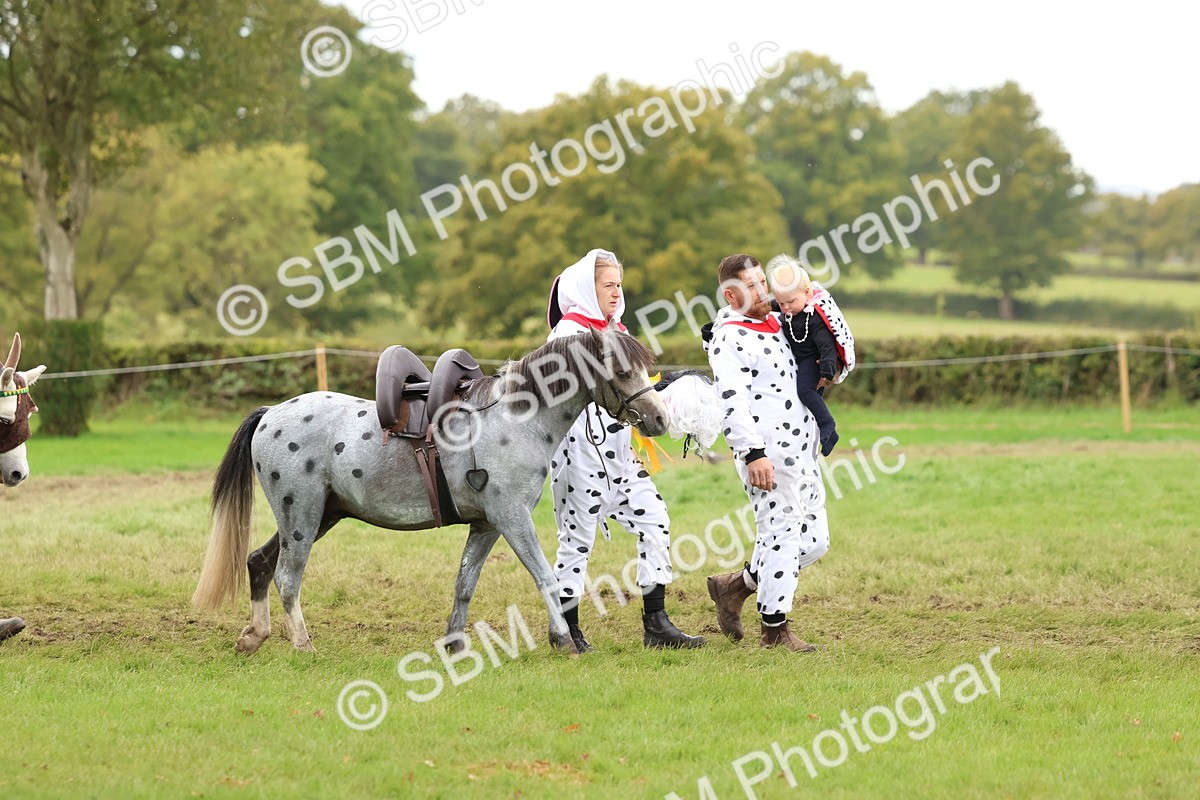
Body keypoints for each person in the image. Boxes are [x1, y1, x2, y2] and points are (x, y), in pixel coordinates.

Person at [546, 248, 705, 652]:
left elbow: (630, 394)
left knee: (655, 519)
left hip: (619, 455)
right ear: (588, 287)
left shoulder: (618, 330)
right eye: (608, 285)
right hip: (578, 455)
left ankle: (657, 624)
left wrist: (664, 390)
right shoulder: (567, 337)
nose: (616, 292)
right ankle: (567, 629)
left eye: (619, 284)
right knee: (576, 541)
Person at [702, 253, 831, 652]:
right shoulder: (729, 339)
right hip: (767, 456)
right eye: (752, 285)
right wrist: (752, 453)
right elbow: (731, 401)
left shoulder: (778, 322)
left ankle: (734, 586)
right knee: (781, 536)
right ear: (730, 294)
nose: (763, 291)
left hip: (802, 449)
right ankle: (775, 631)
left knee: (816, 541)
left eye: (763, 282)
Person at [766, 254, 856, 457]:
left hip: (813, 360)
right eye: (781, 303)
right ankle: (813, 436)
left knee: (805, 391)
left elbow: (827, 346)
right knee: (809, 402)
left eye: (790, 302)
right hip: (797, 359)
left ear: (807, 293)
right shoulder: (786, 305)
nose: (785, 308)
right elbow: (765, 307)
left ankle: (828, 425)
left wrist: (827, 368)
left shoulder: (815, 318)